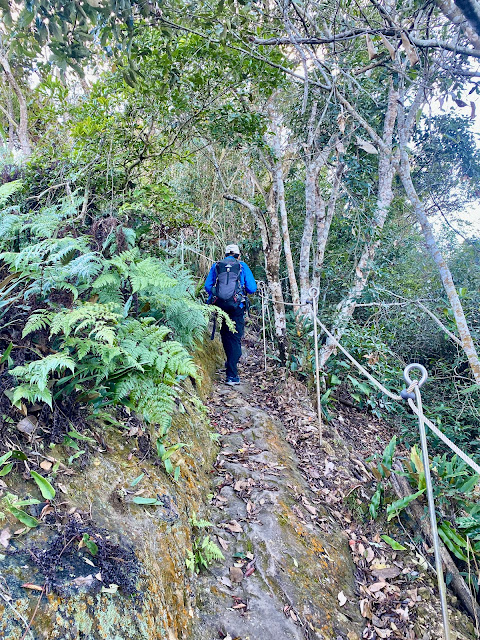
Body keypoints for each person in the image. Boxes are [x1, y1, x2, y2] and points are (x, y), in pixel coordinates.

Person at [205, 243, 257, 385]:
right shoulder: (242, 266)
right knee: (235, 338)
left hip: (220, 307)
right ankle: (232, 375)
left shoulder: (216, 266)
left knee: (226, 337)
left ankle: (230, 366)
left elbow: (207, 286)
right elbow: (252, 288)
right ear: (238, 255)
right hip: (237, 307)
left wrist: (219, 295)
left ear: (226, 254)